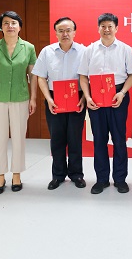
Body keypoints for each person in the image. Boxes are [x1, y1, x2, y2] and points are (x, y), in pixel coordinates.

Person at [78, 13, 132, 195]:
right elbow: (83, 76)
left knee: (119, 139)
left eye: (110, 26)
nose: (107, 29)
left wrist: (122, 93)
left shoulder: (125, 49)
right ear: (98, 28)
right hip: (95, 97)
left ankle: (120, 179)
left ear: (116, 28)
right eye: (103, 26)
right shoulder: (89, 50)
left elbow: (131, 75)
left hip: (118, 96)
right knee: (99, 139)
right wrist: (87, 97)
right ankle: (101, 179)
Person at [0, 11, 37, 194]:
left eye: (14, 23)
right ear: (1, 27)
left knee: (19, 138)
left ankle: (16, 175)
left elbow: (33, 76)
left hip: (21, 98)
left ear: (19, 27)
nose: (10, 26)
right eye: (6, 23)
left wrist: (33, 98)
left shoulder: (29, 48)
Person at [32, 17, 87, 190]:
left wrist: (84, 98)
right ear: (55, 33)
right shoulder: (47, 52)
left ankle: (77, 174)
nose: (65, 34)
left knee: (75, 138)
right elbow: (41, 77)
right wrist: (49, 99)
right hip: (54, 98)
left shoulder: (84, 51)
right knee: (57, 139)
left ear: (74, 32)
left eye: (68, 30)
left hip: (77, 98)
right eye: (61, 31)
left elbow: (88, 77)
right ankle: (58, 175)